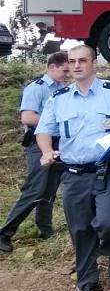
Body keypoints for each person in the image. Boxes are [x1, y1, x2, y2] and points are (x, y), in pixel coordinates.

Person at [36, 45, 110, 291]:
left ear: (94, 63)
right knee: (80, 230)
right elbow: (44, 130)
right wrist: (47, 150)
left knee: (109, 222)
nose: (77, 66)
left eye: (83, 60)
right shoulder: (58, 98)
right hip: (74, 174)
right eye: (72, 61)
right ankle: (88, 283)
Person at [0, 52, 69, 253]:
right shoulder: (36, 88)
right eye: (64, 69)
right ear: (52, 66)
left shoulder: (63, 89)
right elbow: (28, 117)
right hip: (38, 143)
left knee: (50, 188)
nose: (67, 74)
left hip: (57, 143)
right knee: (35, 189)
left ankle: (46, 230)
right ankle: (5, 233)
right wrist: (55, 122)